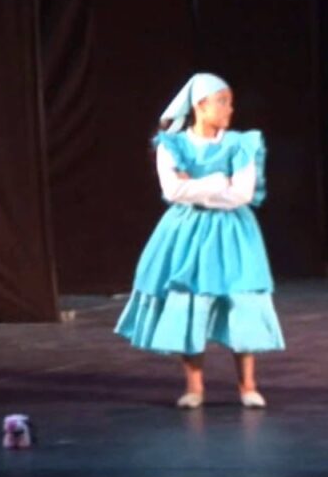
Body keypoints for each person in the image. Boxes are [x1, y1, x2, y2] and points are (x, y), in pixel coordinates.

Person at [115, 73, 285, 409]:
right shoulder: (172, 144)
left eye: (231, 102)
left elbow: (242, 193)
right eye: (222, 101)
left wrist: (199, 185)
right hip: (187, 232)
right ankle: (194, 386)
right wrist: (219, 180)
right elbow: (173, 190)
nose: (229, 109)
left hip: (233, 231)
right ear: (200, 106)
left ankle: (247, 385)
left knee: (242, 301)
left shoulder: (240, 144)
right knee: (190, 302)